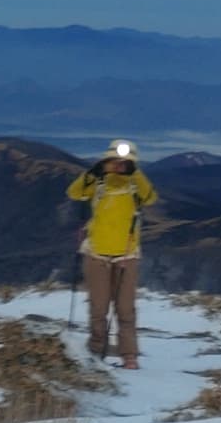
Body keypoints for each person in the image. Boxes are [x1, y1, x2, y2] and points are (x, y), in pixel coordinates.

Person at [66, 139, 156, 369]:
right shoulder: (98, 183)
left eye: (124, 163)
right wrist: (92, 172)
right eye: (114, 161)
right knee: (98, 307)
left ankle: (129, 355)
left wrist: (135, 174)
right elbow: (74, 192)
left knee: (125, 308)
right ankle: (97, 350)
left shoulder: (135, 186)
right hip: (97, 253)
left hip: (126, 254)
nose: (119, 166)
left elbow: (151, 197)